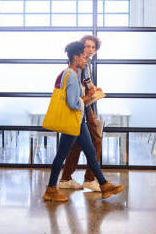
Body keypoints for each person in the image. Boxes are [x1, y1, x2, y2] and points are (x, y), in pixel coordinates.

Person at [43, 41, 124, 202]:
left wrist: (90, 95)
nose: (85, 59)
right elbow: (73, 103)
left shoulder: (73, 73)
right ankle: (51, 189)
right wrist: (88, 97)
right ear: (75, 57)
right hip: (73, 122)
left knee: (91, 153)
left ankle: (104, 185)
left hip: (79, 122)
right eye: (82, 56)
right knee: (61, 156)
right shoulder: (72, 76)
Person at [59, 35, 103, 192]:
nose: (90, 50)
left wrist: (94, 89)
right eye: (87, 47)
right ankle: (90, 179)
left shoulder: (87, 63)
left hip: (85, 105)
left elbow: (86, 82)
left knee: (76, 145)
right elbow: (76, 88)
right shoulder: (77, 65)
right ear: (80, 49)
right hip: (81, 105)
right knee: (96, 140)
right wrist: (89, 93)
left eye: (93, 47)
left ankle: (65, 178)